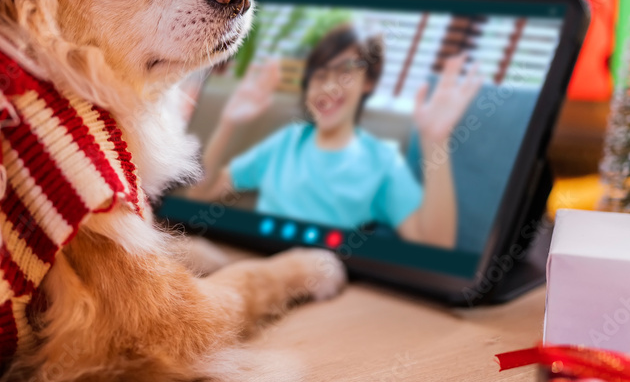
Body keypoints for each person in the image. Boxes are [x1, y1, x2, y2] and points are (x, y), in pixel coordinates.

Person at [187, 24, 481, 249]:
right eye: (320, 76)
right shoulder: (289, 140)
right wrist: (228, 122)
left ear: (368, 82)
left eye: (344, 73)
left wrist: (435, 140)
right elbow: (200, 194)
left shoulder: (382, 161)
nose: (328, 87)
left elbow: (434, 247)